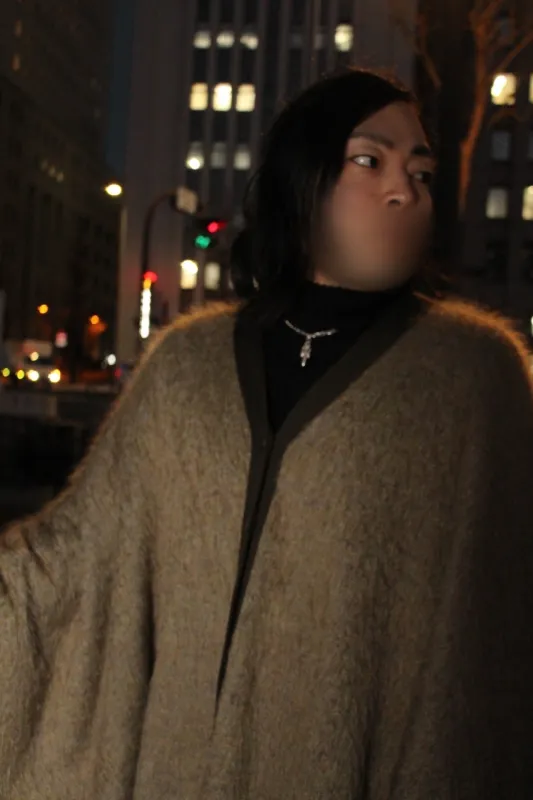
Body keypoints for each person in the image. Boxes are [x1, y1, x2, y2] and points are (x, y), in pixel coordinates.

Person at [1, 68, 532, 799]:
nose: (403, 190)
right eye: (369, 160)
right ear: (300, 180)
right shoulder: (187, 363)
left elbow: (493, 642)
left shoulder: (474, 374)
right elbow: (72, 567)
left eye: (420, 173)